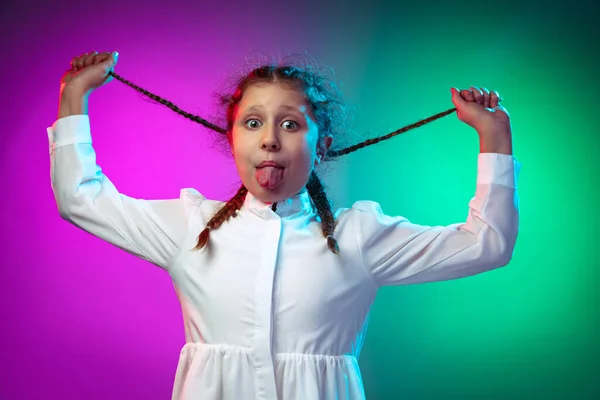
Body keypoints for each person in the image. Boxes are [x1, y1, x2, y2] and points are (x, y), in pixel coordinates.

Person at [48, 50, 521, 400]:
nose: (270, 140)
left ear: (323, 145)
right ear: (231, 140)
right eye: (252, 123)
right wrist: (73, 97)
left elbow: (487, 243)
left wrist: (494, 136)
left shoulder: (358, 237)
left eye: (290, 125)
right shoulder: (190, 227)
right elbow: (80, 198)